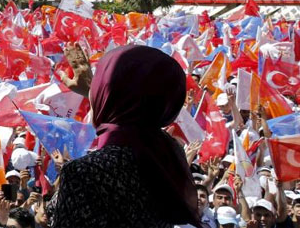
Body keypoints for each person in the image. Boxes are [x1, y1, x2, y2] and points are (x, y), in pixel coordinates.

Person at [48, 44, 201, 227]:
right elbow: (136, 113)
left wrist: (97, 93)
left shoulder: (85, 173)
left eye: (101, 83)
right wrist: (96, 91)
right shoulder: (169, 153)